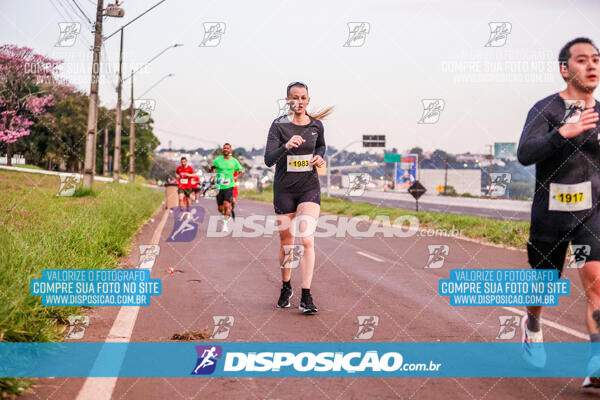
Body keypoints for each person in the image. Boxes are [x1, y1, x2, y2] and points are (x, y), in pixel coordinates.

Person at [517, 37, 600, 388]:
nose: (592, 66)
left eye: (596, 59)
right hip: (550, 216)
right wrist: (562, 134)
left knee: (596, 285)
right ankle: (532, 324)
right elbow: (525, 153)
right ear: (565, 69)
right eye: (582, 60)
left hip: (590, 215)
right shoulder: (546, 110)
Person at [264, 81, 332, 314]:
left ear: (308, 100)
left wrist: (320, 158)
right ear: (287, 100)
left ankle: (306, 295)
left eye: (303, 97)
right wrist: (286, 146)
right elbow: (268, 159)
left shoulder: (316, 125)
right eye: (295, 97)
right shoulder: (278, 125)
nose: (299, 102)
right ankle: (285, 286)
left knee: (306, 240)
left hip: (308, 188)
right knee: (287, 244)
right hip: (284, 190)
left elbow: (321, 147)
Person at [209, 143, 243, 232]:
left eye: (228, 148)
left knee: (227, 205)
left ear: (230, 150)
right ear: (222, 150)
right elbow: (211, 168)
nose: (226, 149)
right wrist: (211, 169)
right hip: (219, 186)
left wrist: (236, 177)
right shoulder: (218, 160)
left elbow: (241, 170)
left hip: (229, 186)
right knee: (220, 209)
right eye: (225, 148)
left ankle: (225, 225)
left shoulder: (234, 161)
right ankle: (226, 215)